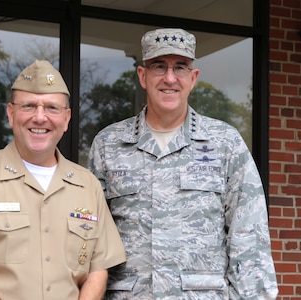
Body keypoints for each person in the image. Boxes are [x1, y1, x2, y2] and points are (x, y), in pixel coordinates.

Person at [88, 28, 278, 299]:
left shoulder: (224, 143)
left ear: (193, 78)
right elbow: (90, 238)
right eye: (158, 66)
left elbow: (250, 237)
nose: (169, 78)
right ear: (142, 76)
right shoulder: (108, 144)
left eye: (180, 67)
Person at [0, 60, 126, 300]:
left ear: (66, 118)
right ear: (11, 113)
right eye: (29, 106)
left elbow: (98, 268)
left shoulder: (87, 185)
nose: (40, 118)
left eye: (51, 108)